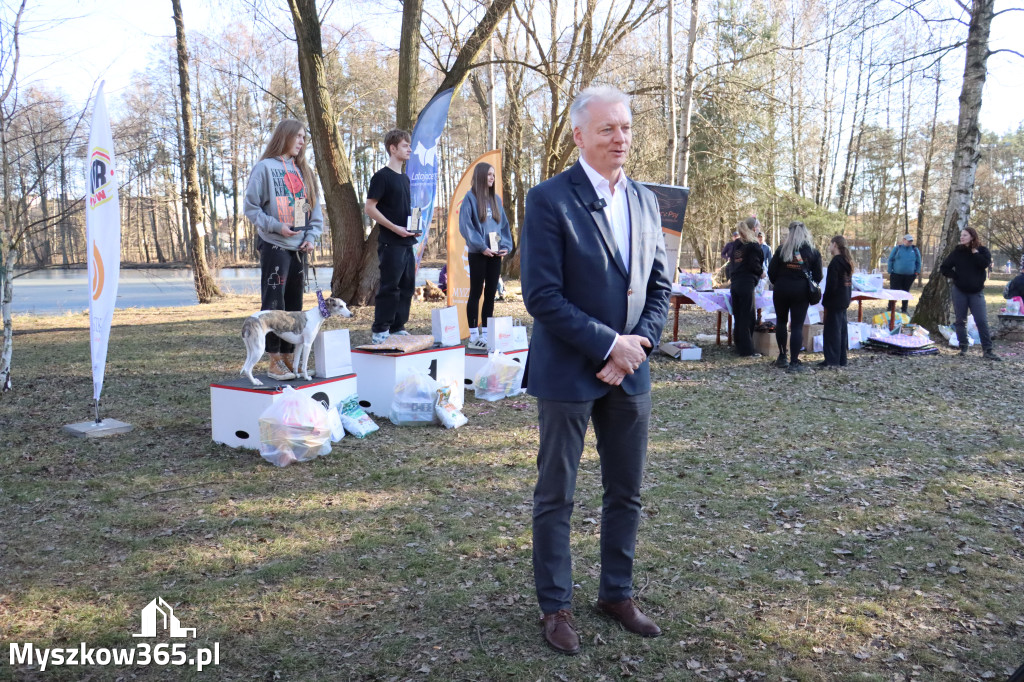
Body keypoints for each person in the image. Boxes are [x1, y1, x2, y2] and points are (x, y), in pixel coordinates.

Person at [521, 85, 671, 656]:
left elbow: (660, 287)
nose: (620, 138)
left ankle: (616, 593)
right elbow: (542, 294)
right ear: (579, 135)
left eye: (626, 128)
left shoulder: (647, 202)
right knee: (556, 494)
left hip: (631, 373)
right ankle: (555, 605)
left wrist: (638, 346)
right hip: (567, 371)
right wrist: (608, 345)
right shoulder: (549, 199)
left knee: (625, 492)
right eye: (607, 128)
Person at [243, 119, 323, 380]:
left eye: (304, 137)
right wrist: (277, 226)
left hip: (299, 249)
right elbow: (251, 208)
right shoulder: (264, 168)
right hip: (275, 245)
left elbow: (316, 212)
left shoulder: (306, 173)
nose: (302, 141)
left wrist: (311, 236)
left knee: (295, 307)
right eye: (298, 136)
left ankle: (290, 359)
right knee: (274, 306)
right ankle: (275, 359)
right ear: (285, 136)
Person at [366, 129, 416, 344]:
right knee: (390, 286)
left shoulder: (405, 178)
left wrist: (413, 227)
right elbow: (370, 208)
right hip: (390, 242)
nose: (409, 149)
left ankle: (397, 326)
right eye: (405, 146)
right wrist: (394, 227)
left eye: (409, 145)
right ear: (392, 148)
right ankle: (380, 330)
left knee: (407, 286)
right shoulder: (381, 177)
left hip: (407, 241)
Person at [459, 162, 513, 348]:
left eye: (493, 175)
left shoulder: (496, 199)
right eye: (489, 174)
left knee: (491, 293)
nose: (492, 178)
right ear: (481, 176)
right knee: (476, 292)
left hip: (495, 254)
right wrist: (481, 247)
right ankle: (474, 336)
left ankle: (488, 334)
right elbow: (467, 226)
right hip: (479, 253)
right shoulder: (470, 198)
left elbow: (503, 226)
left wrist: (505, 246)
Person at [768, 221, 822, 373]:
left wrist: (780, 282)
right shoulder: (812, 251)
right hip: (801, 291)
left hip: (781, 289)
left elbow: (771, 273)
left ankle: (782, 357)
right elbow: (818, 276)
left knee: (781, 322)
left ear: (790, 233)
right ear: (806, 233)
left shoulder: (782, 250)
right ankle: (794, 362)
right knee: (797, 326)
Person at [940, 227, 1000, 360]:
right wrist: (955, 276)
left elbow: (985, 264)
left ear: (972, 237)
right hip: (959, 290)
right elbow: (944, 268)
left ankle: (988, 350)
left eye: (965, 235)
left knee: (981, 320)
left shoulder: (982, 250)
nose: (962, 237)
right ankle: (963, 347)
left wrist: (975, 253)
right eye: (961, 235)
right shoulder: (957, 251)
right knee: (960, 320)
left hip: (976, 292)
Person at [728, 219, 764, 357]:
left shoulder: (737, 244)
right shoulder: (753, 245)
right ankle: (747, 351)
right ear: (754, 229)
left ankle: (739, 346)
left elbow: (732, 264)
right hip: (747, 283)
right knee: (748, 317)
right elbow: (754, 264)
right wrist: (761, 272)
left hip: (735, 282)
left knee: (738, 315)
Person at [820, 235, 853, 368]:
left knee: (832, 331)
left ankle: (832, 360)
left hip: (834, 301)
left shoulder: (835, 262)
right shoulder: (847, 261)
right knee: (841, 331)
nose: (829, 247)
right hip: (843, 299)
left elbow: (831, 285)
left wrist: (825, 301)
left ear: (835, 245)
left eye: (830, 244)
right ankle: (841, 359)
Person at [887, 234, 921, 314]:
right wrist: (890, 270)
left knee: (906, 292)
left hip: (910, 275)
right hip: (896, 274)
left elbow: (919, 262)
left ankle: (904, 309)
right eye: (908, 240)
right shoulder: (897, 248)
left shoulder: (915, 250)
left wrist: (917, 271)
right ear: (904, 240)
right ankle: (890, 308)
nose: (910, 242)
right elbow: (890, 259)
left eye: (911, 241)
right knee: (893, 291)